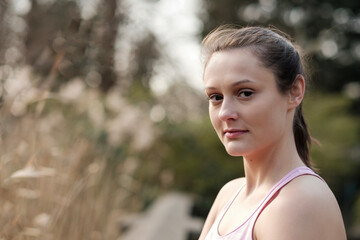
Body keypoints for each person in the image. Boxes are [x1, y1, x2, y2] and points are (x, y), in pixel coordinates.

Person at [198, 25, 347, 240]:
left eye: (245, 93)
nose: (225, 113)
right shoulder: (229, 194)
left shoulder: (299, 203)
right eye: (215, 97)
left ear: (295, 91)